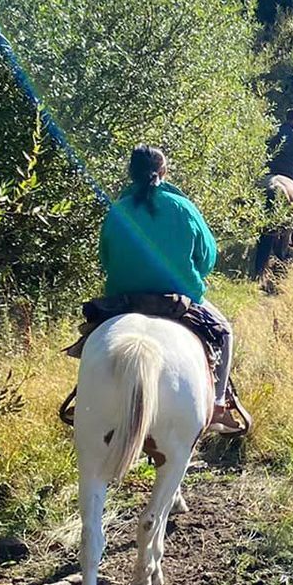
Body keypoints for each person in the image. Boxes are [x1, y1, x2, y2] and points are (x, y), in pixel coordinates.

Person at [100, 145, 247, 434]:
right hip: (178, 296)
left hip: (123, 295)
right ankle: (218, 403)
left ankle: (83, 397)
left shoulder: (117, 210)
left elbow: (105, 257)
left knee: (94, 337)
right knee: (224, 332)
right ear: (163, 172)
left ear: (131, 174)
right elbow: (207, 257)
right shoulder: (183, 207)